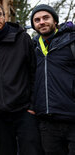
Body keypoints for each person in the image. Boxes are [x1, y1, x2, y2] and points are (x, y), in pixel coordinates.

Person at [0, 1, 43, 155]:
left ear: (4, 17)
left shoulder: (22, 39)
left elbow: (34, 72)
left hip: (24, 112)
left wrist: (32, 106)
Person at [31, 4, 75, 155]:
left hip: (72, 117)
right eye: (37, 20)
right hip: (47, 121)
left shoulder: (71, 41)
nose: (41, 22)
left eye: (45, 18)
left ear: (55, 21)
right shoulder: (34, 48)